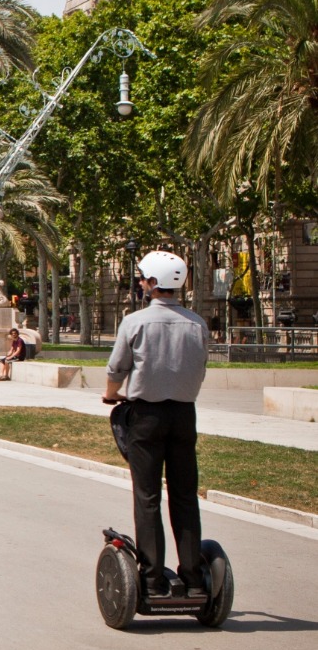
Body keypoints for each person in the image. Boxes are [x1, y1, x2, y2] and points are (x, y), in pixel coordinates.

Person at [103, 250, 210, 599]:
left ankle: (151, 577)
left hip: (146, 416)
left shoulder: (135, 322)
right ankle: (194, 577)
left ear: (152, 283)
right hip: (183, 416)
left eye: (143, 278)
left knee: (147, 496)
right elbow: (200, 366)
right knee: (184, 496)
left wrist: (111, 395)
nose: (140, 283)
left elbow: (116, 369)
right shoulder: (197, 323)